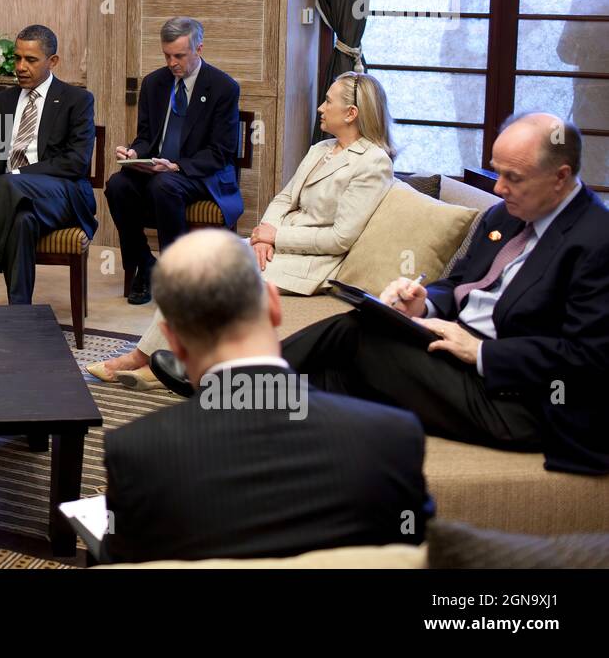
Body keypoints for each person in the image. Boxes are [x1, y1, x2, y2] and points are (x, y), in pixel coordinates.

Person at [282, 113, 609, 475]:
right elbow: (459, 282)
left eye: (513, 178)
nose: (498, 188)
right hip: (454, 355)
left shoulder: (596, 240)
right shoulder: (505, 215)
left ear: (560, 177)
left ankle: (224, 389)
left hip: (513, 397)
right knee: (337, 372)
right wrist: (426, 303)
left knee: (357, 333)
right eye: (497, 172)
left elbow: (588, 358)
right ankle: (242, 416)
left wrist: (482, 351)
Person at [99, 229, 432, 563]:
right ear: (274, 305)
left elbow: (122, 561)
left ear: (171, 339)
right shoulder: (394, 435)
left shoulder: (134, 451)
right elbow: (416, 554)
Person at [90, 71, 397, 390]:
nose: (320, 107)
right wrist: (266, 233)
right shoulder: (321, 149)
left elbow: (340, 238)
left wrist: (275, 238)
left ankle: (149, 359)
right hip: (277, 245)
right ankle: (154, 359)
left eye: (328, 101)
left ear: (351, 113)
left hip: (312, 261)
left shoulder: (373, 163)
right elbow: (285, 197)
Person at [104, 16, 243, 306]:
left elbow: (221, 151)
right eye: (167, 55)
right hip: (157, 168)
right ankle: (145, 263)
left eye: (179, 55)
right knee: (117, 185)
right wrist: (134, 153)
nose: (172, 63)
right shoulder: (155, 83)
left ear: (199, 49)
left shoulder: (223, 88)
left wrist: (177, 167)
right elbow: (145, 136)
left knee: (164, 185)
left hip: (200, 173)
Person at [0, 24, 97, 305]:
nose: (21, 66)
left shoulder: (77, 100)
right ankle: (20, 315)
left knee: (10, 182)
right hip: (15, 201)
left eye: (31, 60)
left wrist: (18, 175)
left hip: (63, 197)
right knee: (22, 220)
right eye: (17, 58)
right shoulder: (0, 103)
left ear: (53, 61)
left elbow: (76, 163)